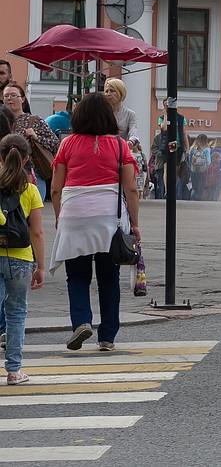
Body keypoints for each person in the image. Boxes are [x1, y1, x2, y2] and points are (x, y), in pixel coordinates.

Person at [49, 92, 140, 352]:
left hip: (74, 214)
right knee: (108, 278)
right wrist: (135, 224)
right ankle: (108, 336)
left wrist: (59, 216)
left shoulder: (66, 144)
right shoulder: (120, 146)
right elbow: (131, 189)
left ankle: (81, 322)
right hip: (108, 219)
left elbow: (56, 188)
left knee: (76, 276)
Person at [0, 134, 47, 385]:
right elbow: (36, 232)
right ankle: (14, 371)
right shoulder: (30, 190)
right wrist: (40, 266)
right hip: (20, 258)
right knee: (16, 313)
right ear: (27, 158)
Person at [3, 83, 60, 199]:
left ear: (23, 99)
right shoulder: (2, 120)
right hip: (5, 174)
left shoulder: (34, 121)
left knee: (33, 212)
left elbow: (55, 143)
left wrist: (37, 137)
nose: (9, 98)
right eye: (6, 96)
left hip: (32, 174)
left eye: (13, 95)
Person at [187, 134, 211, 201]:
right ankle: (199, 200)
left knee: (194, 187)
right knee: (201, 187)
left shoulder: (192, 148)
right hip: (203, 170)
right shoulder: (206, 149)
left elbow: (189, 159)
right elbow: (208, 161)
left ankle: (192, 199)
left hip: (193, 169)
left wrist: (190, 168)